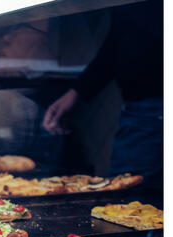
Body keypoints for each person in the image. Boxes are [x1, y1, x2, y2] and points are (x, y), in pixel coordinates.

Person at [42, 0, 163, 176]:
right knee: (130, 193)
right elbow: (117, 41)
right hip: (140, 108)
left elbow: (134, 39)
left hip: (150, 108)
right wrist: (76, 92)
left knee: (131, 194)